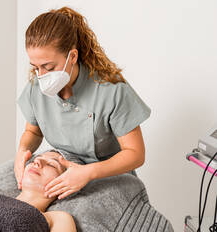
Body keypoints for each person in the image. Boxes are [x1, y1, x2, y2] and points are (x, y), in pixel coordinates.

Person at [15, 6, 151, 200]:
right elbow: (33, 132)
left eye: (48, 66)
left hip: (107, 178)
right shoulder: (36, 87)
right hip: (62, 170)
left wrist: (88, 173)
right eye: (36, 67)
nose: (41, 76)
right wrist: (22, 152)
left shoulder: (111, 90)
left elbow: (136, 154)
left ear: (72, 56)